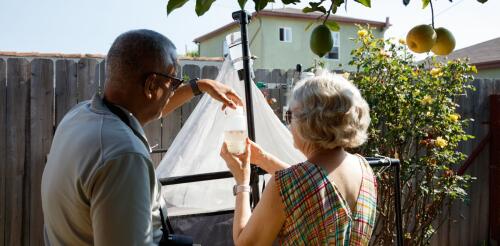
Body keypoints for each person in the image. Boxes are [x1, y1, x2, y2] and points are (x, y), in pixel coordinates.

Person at [41, 29, 242, 245]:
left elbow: (151, 109)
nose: (173, 91)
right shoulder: (123, 155)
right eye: (173, 83)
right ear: (151, 85)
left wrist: (199, 86)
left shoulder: (80, 117)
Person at [220, 72, 377, 245]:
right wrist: (263, 158)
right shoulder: (364, 169)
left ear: (309, 122)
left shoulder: (286, 184)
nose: (288, 124)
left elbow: (246, 244)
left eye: (289, 116)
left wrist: (242, 182)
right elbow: (316, 184)